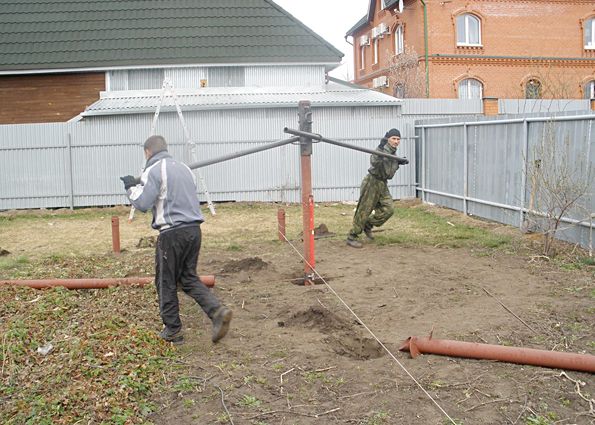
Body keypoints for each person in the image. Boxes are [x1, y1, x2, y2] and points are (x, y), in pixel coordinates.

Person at [120, 135, 232, 344]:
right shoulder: (184, 168)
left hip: (172, 233)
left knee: (166, 281)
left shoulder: (154, 170)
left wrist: (129, 187)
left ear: (147, 152)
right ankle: (217, 311)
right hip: (194, 230)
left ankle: (172, 330)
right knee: (188, 278)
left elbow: (142, 203)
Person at [346, 128, 409, 248]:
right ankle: (352, 236)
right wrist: (380, 148)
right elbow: (374, 161)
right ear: (388, 139)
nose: (396, 141)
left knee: (388, 209)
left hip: (382, 184)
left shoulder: (392, 153)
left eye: (398, 139)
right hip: (372, 182)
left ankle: (368, 225)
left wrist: (399, 162)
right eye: (393, 139)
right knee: (364, 210)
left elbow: (389, 169)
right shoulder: (382, 150)